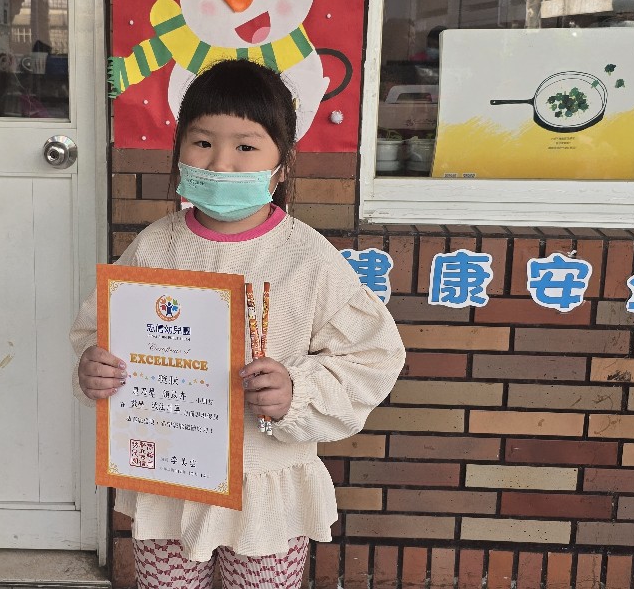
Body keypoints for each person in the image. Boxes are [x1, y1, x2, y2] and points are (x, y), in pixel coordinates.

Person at [69, 60, 407, 589]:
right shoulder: (155, 246)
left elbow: (374, 355)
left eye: (246, 146)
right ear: (178, 149)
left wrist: (297, 391)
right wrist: (94, 367)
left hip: (265, 488)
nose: (221, 163)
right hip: (171, 477)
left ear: (282, 164)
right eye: (203, 142)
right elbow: (100, 332)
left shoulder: (307, 258)